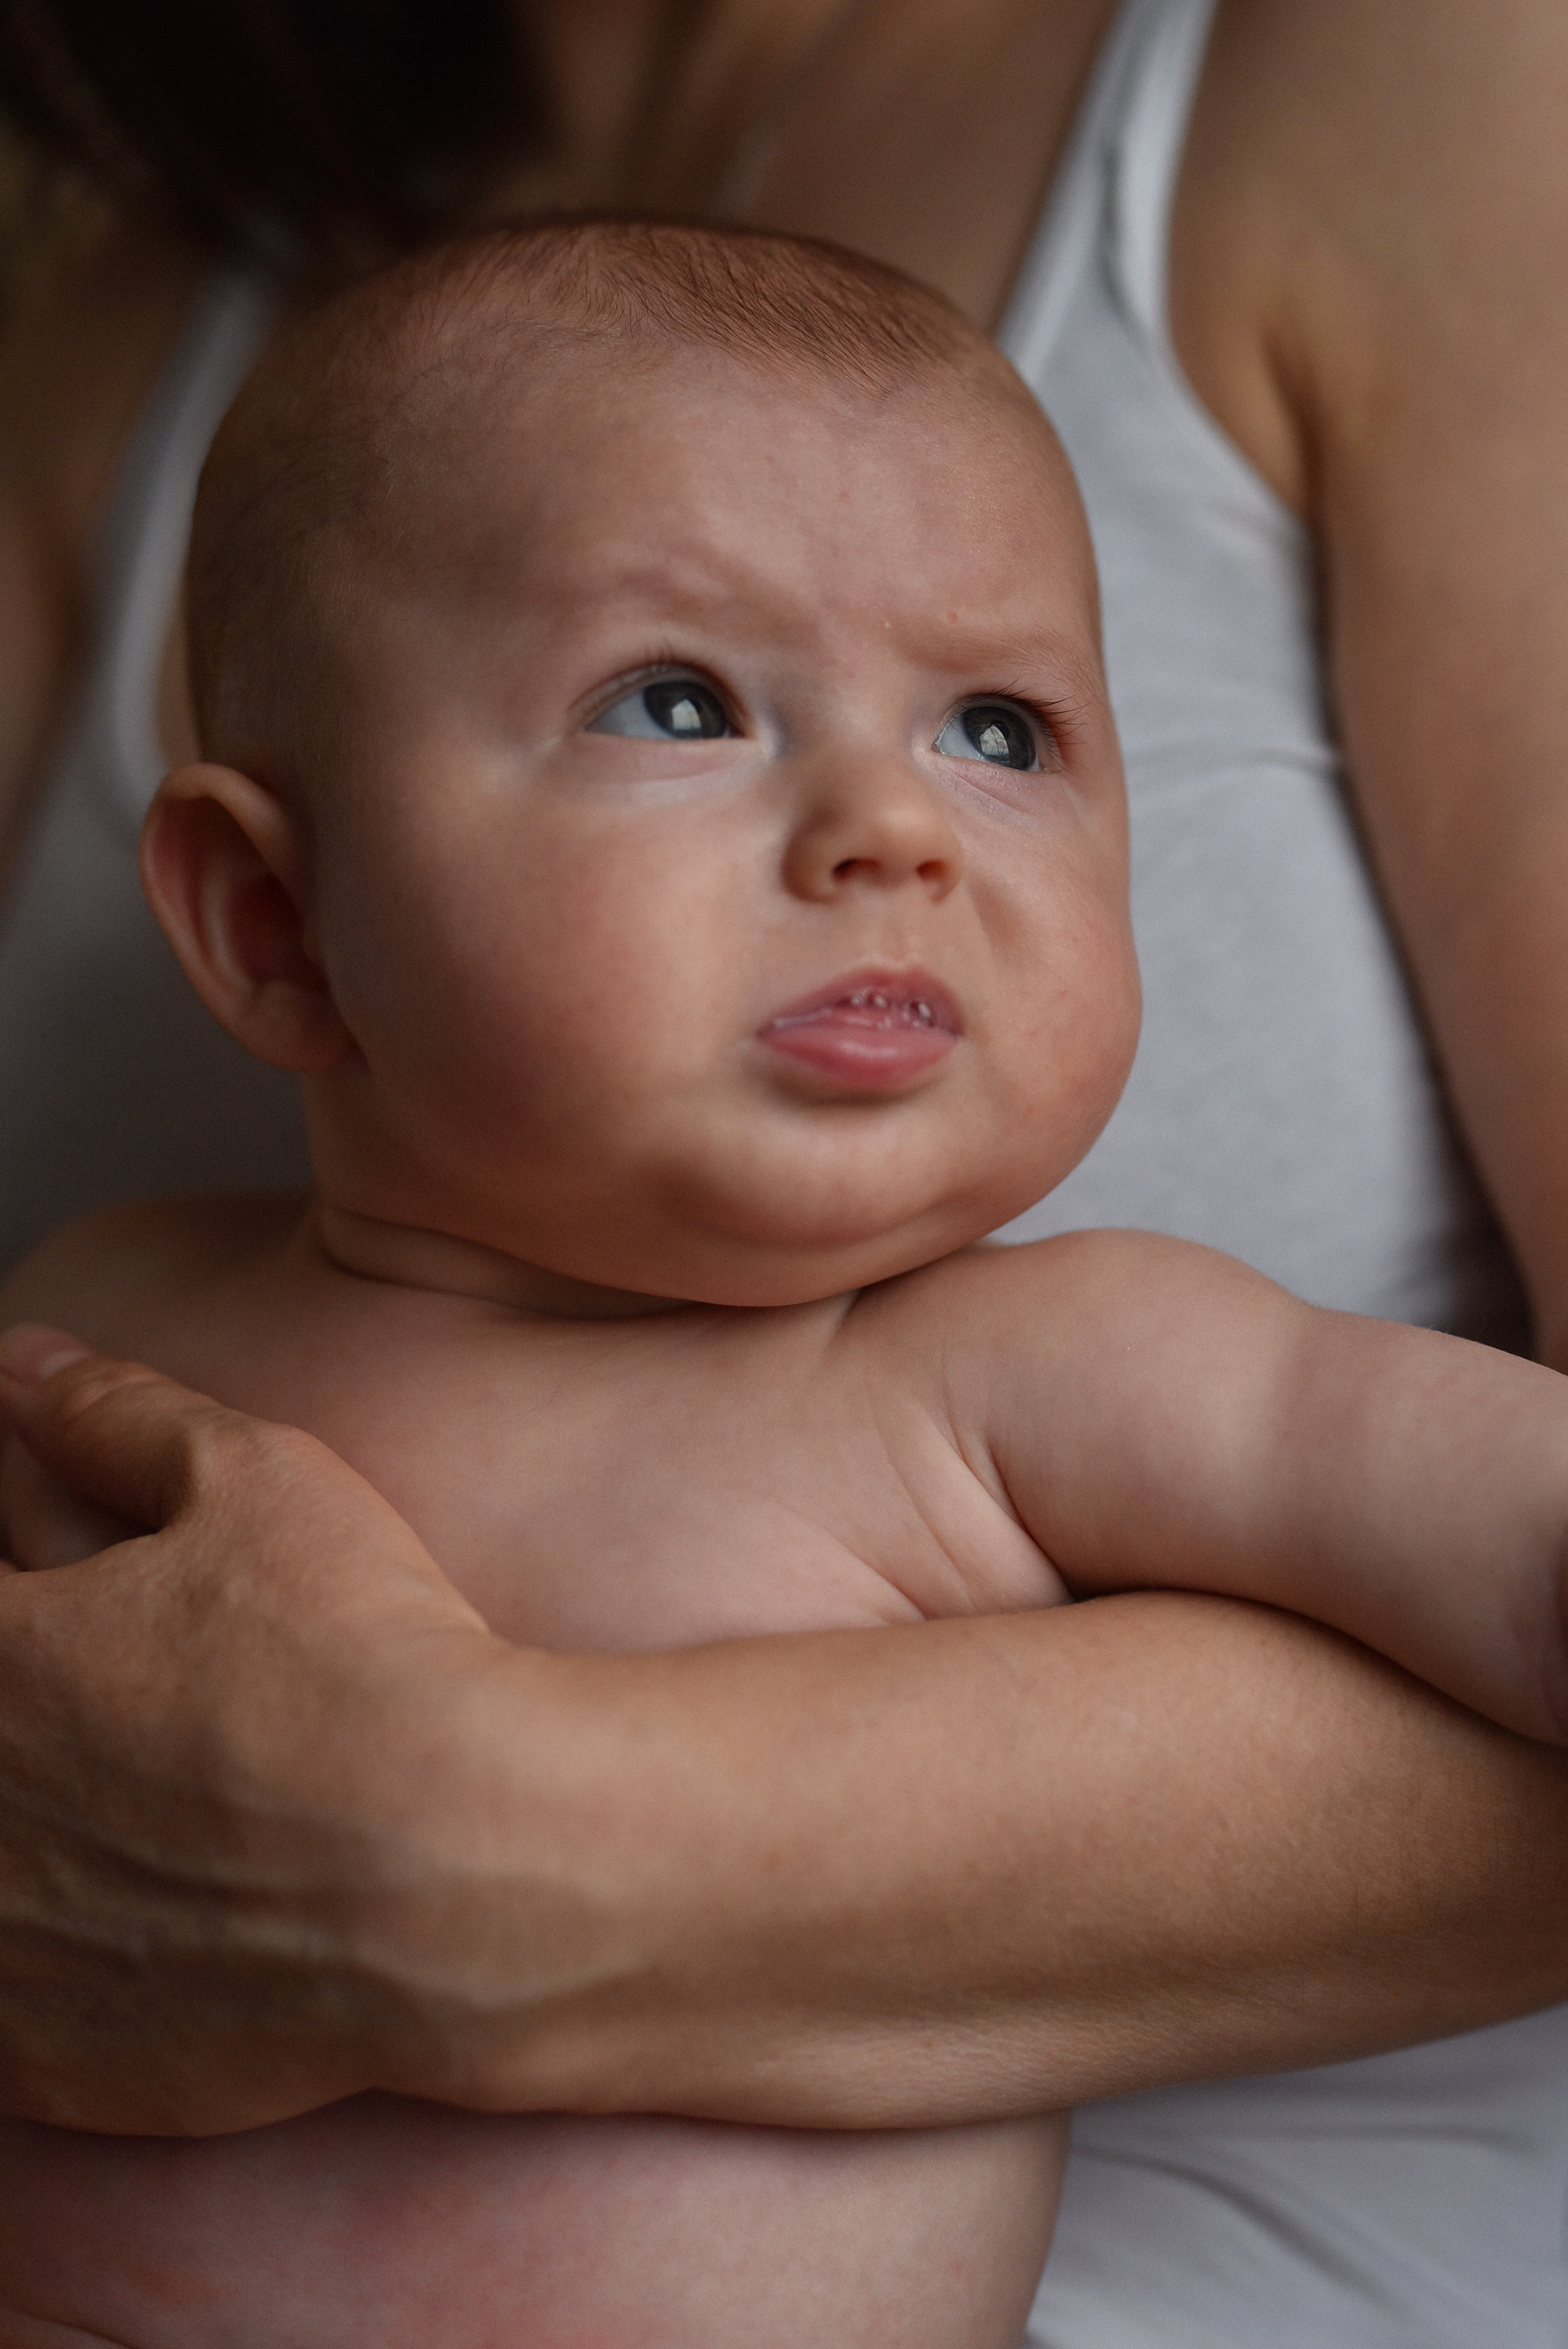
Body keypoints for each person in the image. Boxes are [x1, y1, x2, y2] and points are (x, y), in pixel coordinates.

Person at [2, 5, 1568, 2345]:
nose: (892, 827)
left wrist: (459, 1852)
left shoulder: (1033, 1369)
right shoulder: (109, 1317)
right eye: (677, 701)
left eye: (1004, 729)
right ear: (271, 924)